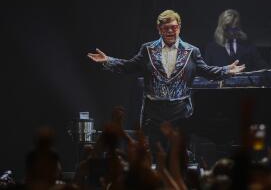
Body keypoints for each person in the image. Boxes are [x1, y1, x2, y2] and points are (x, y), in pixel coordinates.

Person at [87, 9, 245, 155]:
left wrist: (226, 70)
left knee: (179, 155)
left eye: (173, 27)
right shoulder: (147, 49)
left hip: (181, 113)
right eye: (165, 28)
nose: (170, 31)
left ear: (179, 27)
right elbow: (128, 66)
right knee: (154, 154)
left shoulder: (191, 51)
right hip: (153, 113)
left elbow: (207, 71)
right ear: (159, 28)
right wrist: (107, 60)